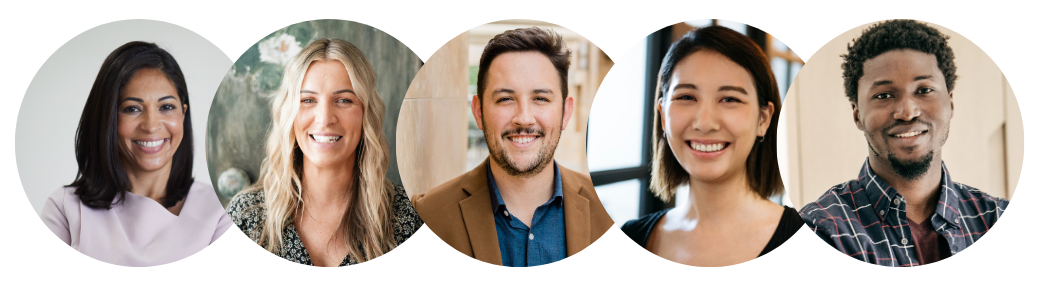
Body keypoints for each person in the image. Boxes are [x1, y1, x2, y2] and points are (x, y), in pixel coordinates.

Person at [798, 20, 1009, 266]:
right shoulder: (822, 229)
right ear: (857, 115)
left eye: (924, 90)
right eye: (884, 95)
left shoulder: (995, 215)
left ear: (950, 103)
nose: (907, 113)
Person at [412, 27, 614, 267]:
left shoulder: (608, 215)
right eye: (505, 99)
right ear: (478, 112)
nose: (524, 119)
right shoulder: (427, 215)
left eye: (541, 98)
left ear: (565, 112)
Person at [226, 38, 421, 267]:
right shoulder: (246, 215)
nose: (325, 119)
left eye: (344, 100)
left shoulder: (406, 218)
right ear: (289, 114)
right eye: (308, 100)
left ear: (366, 113)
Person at [620, 26, 804, 267]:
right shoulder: (632, 234)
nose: (705, 123)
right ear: (663, 115)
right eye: (686, 97)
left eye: (730, 99)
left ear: (763, 119)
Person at [39, 41, 232, 266]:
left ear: (183, 114)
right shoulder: (66, 209)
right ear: (108, 118)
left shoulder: (222, 212)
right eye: (132, 109)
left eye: (166, 107)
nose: (151, 126)